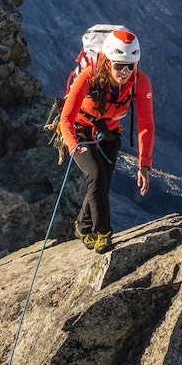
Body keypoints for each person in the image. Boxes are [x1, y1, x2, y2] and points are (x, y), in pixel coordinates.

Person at [59, 27, 153, 252]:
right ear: (109, 61)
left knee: (102, 183)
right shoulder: (88, 76)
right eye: (120, 65)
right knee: (97, 176)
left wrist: (144, 165)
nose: (124, 72)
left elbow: (146, 125)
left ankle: (83, 226)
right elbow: (66, 119)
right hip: (81, 131)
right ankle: (103, 233)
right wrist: (73, 146)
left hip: (109, 134)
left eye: (130, 66)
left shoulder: (140, 83)